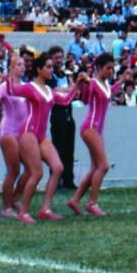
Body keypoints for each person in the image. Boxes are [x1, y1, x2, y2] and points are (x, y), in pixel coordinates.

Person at [7, 53, 86, 223]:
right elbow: (12, 90)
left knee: (57, 168)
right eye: (48, 67)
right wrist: (12, 71)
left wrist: (77, 86)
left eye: (52, 67)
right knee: (36, 173)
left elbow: (65, 101)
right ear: (39, 70)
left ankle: (45, 209)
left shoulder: (49, 90)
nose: (51, 70)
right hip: (28, 133)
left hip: (40, 135)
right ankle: (24, 212)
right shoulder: (30, 87)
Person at [68, 53, 124, 216]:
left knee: (95, 168)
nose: (110, 71)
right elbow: (85, 99)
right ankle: (92, 203)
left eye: (112, 68)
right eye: (108, 68)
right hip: (90, 127)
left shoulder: (105, 85)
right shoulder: (93, 83)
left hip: (96, 129)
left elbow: (109, 93)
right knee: (103, 166)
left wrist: (121, 81)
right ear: (99, 68)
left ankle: (75, 200)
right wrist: (83, 83)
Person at [0, 54, 29, 218]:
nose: (22, 67)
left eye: (23, 64)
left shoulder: (25, 86)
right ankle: (6, 207)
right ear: (11, 68)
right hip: (8, 130)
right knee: (13, 169)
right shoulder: (5, 87)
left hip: (21, 132)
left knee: (30, 168)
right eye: (18, 65)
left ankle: (14, 199)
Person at [48, 45, 77, 190]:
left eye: (60, 57)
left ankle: (68, 180)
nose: (59, 60)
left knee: (69, 149)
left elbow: (73, 89)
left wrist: (71, 88)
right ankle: (56, 180)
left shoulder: (64, 74)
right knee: (58, 148)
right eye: (56, 58)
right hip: (57, 112)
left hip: (68, 112)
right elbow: (54, 90)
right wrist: (70, 89)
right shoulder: (50, 75)